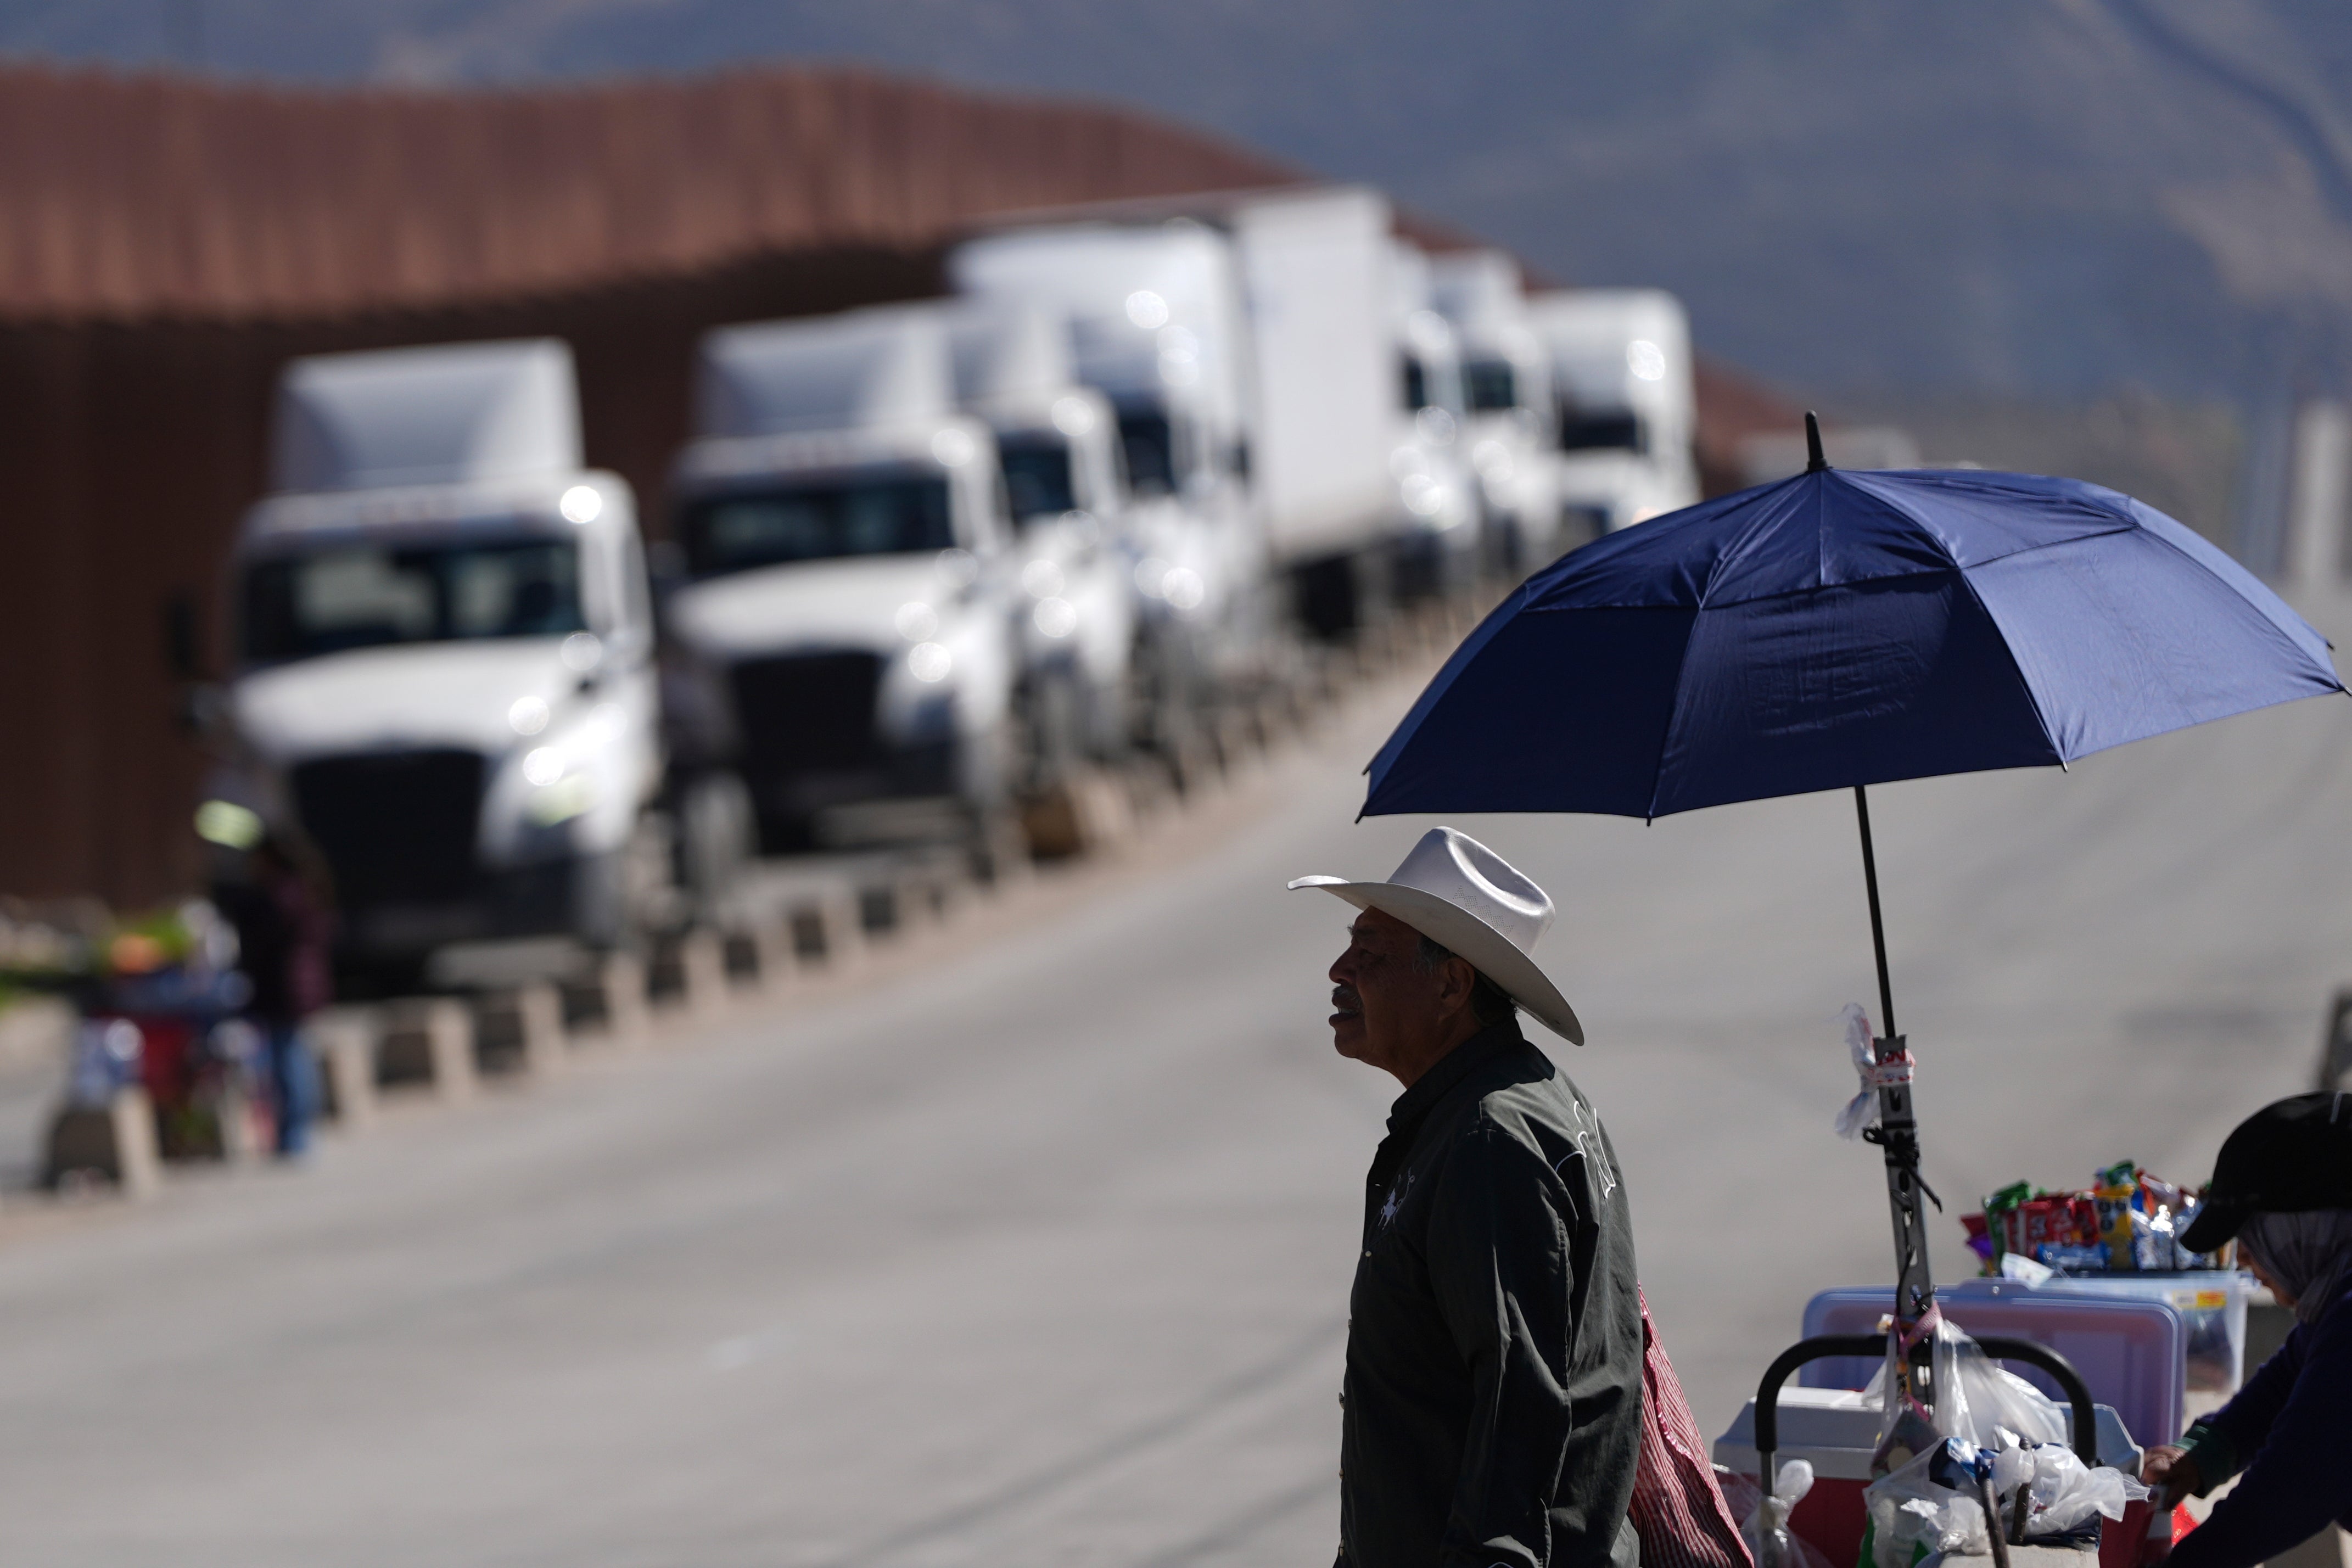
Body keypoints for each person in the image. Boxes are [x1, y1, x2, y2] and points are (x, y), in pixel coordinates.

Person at [1292, 827, 1666, 1568]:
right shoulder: (1503, 1107)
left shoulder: (1491, 1138)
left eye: (1372, 953)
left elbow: (1520, 1403)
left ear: (1451, 984)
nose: (1341, 970)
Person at [2141, 1092, 2352, 1565]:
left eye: (2254, 1235)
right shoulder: (2338, 1299)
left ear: (2308, 1224)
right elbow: (2294, 1373)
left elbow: (2299, 1483)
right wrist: (2203, 1452)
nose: (2244, 1259)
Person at [214, 835, 334, 1157]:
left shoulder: (280, 895)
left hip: (286, 988)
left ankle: (295, 1134)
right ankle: (294, 1132)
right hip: (299, 986)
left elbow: (263, 943)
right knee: (292, 1056)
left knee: (288, 1059)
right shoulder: (304, 889)